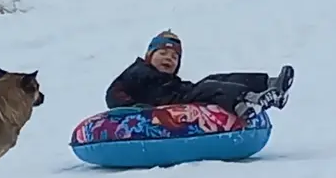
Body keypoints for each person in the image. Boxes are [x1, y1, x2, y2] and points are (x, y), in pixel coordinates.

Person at [105, 30, 295, 119]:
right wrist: (136, 108)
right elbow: (114, 93)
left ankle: (270, 85)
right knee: (209, 88)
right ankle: (247, 101)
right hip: (167, 104)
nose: (168, 59)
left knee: (216, 80)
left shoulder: (170, 80)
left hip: (178, 94)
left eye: (174, 57)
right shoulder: (137, 72)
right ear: (149, 56)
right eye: (162, 53)